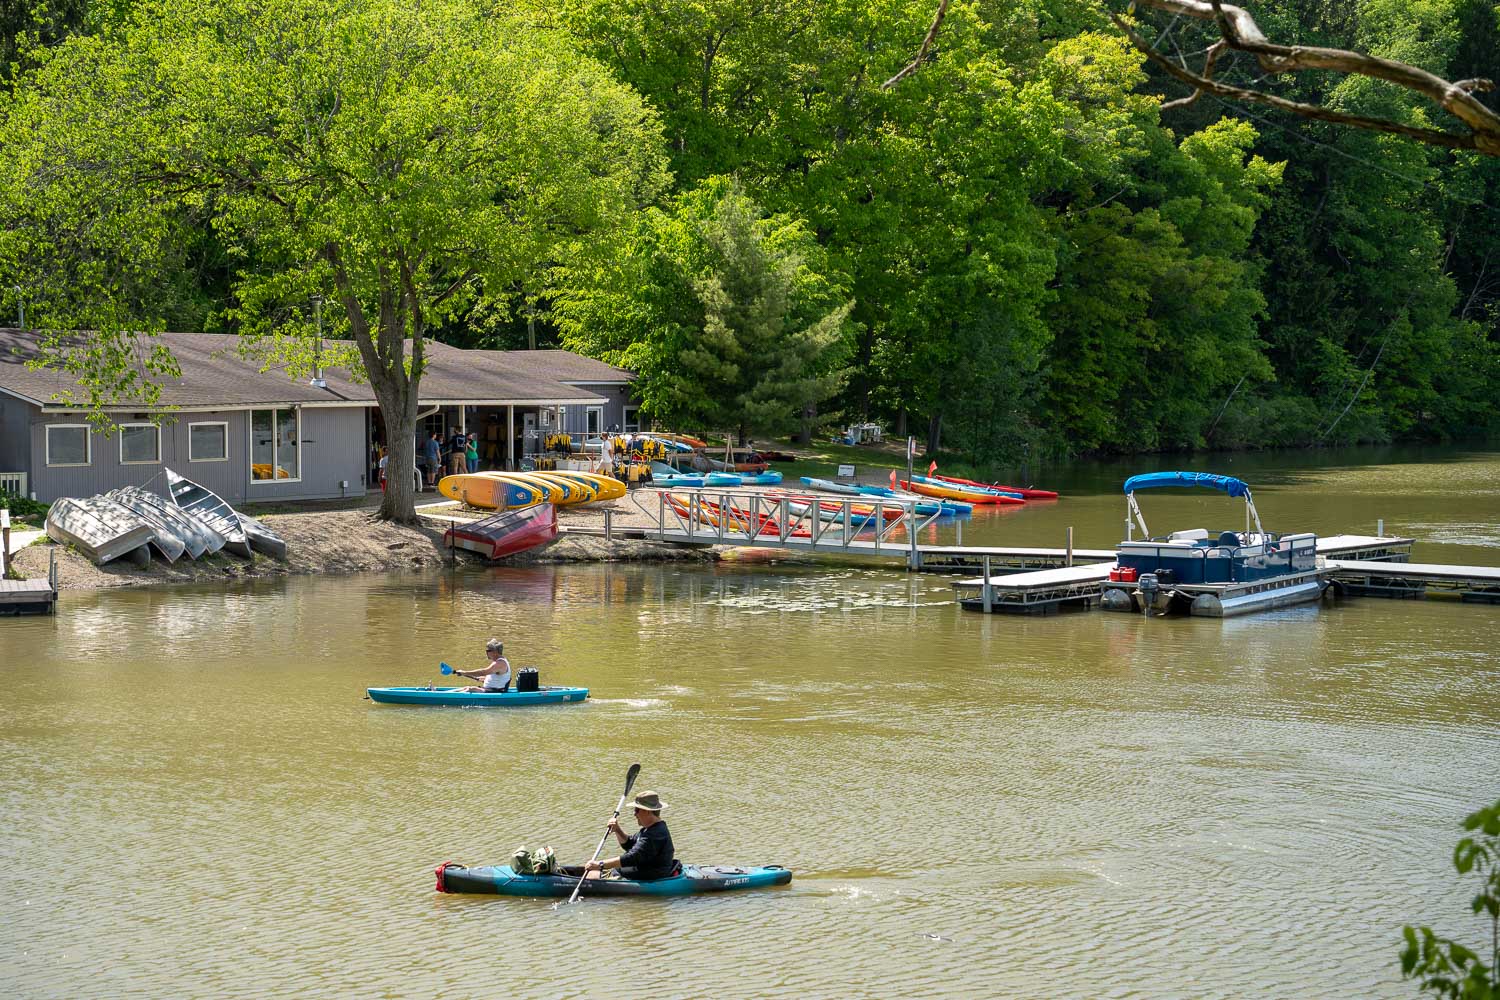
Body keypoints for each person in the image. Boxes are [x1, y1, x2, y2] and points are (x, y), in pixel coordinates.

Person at [583, 791, 676, 881]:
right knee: (604, 870)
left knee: (596, 873)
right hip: (644, 869)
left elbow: (632, 858)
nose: (634, 814)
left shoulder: (656, 834)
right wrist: (617, 830)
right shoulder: (649, 829)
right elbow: (629, 844)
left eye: (637, 810)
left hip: (653, 874)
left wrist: (600, 864)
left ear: (647, 811)